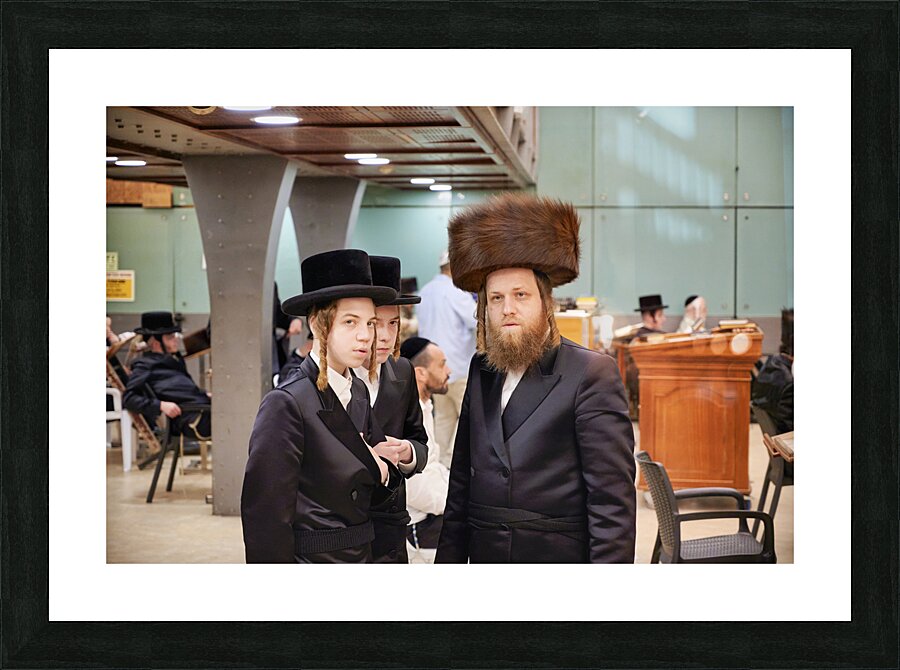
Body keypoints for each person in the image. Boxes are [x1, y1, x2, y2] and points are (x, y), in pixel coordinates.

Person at [435, 193, 636, 564]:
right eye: (495, 299)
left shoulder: (590, 373)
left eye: (520, 295)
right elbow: (461, 483)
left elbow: (612, 504)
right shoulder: (484, 369)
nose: (507, 308)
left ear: (547, 303)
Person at [241, 249, 404, 563]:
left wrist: (382, 466)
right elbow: (266, 518)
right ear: (317, 324)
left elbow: (379, 480)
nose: (365, 336)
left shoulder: (356, 390)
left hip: (362, 553)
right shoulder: (286, 404)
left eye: (369, 323)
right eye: (349, 322)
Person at [352, 255, 429, 563]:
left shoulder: (403, 371)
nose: (384, 336)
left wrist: (408, 452)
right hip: (345, 526)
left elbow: (419, 438)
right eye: (375, 324)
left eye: (393, 324)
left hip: (391, 523)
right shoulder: (332, 379)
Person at [416, 249, 477, 468]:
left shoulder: (426, 291)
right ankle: (469, 469)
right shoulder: (457, 292)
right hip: (457, 368)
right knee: (472, 422)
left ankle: (439, 467)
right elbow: (477, 320)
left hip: (433, 371)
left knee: (443, 419)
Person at [399, 336, 451, 563]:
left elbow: (434, 465)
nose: (449, 370)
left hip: (433, 516)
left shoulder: (425, 406)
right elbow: (412, 484)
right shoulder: (405, 415)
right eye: (441, 364)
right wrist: (452, 502)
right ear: (420, 373)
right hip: (419, 527)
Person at [123, 311, 211, 439]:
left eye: (174, 335)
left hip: (203, 411)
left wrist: (204, 395)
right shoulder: (145, 365)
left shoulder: (172, 361)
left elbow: (184, 392)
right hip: (193, 420)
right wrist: (160, 405)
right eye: (170, 337)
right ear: (156, 343)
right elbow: (129, 398)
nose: (175, 340)